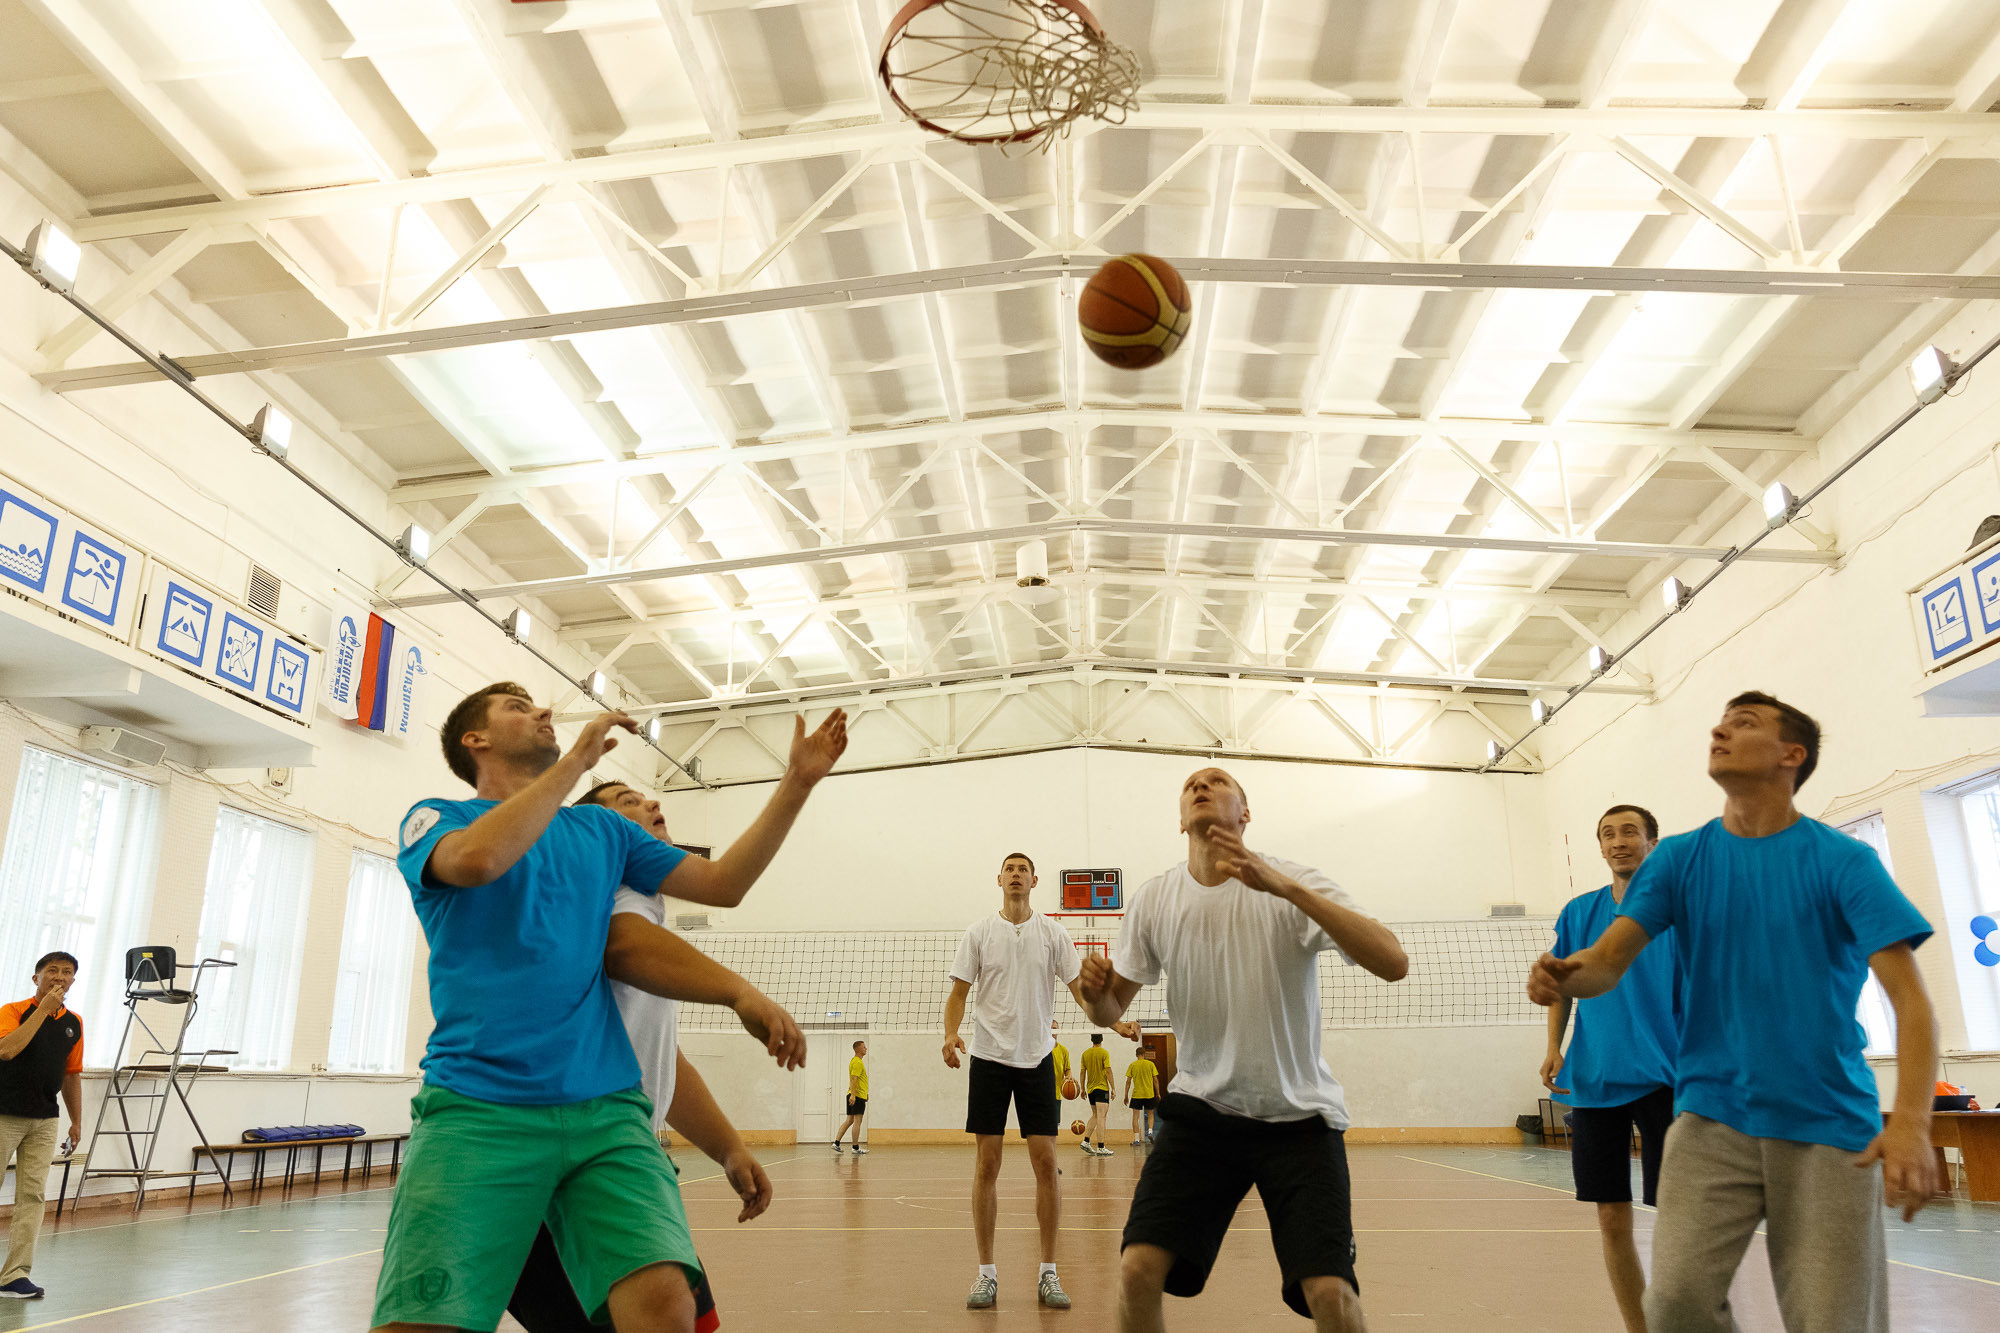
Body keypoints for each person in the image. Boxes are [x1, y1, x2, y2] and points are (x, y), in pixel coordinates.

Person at [374, 682, 845, 1333]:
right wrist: (574, 766)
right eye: (518, 706)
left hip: (605, 1110)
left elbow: (723, 883)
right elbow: (480, 860)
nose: (540, 711)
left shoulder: (601, 832)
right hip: (478, 1107)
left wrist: (796, 783)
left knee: (667, 1308)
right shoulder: (434, 817)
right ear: (473, 741)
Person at [1528, 693, 1939, 1333]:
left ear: (1790, 755)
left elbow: (1910, 1000)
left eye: (1744, 723)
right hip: (1710, 1118)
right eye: (1720, 719)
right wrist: (1564, 974)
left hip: (1827, 1125)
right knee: (1675, 1304)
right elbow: (1609, 961)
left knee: (1833, 1319)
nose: (1719, 729)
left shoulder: (1843, 861)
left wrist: (1912, 1120)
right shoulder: (1681, 860)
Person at [1077, 766, 1409, 1333]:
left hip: (1299, 1118)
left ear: (1245, 814)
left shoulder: (1291, 881)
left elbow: (1393, 962)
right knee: (1136, 1270)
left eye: (1217, 781)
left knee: (1331, 1293)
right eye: (1190, 786)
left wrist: (1285, 888)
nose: (1201, 786)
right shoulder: (1156, 898)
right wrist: (1094, 998)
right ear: (1181, 818)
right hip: (1201, 1114)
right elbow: (1111, 1012)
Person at [508, 779, 813, 1333]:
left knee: (684, 1319)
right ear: (597, 833)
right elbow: (622, 945)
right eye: (628, 802)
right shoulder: (605, 900)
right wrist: (739, 992)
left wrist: (728, 1148)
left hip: (621, 1160)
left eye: (649, 799)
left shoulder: (642, 904)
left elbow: (661, 1059)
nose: (653, 804)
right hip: (565, 1174)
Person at [1540, 804, 1679, 1333]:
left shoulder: (1676, 911)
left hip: (1669, 1079)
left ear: (1652, 842)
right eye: (1607, 834)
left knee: (1680, 1220)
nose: (1618, 841)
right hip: (1595, 1079)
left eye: (1629, 832)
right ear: (1599, 847)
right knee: (1608, 1214)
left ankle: (1680, 1317)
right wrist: (1554, 1045)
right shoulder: (1579, 912)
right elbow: (1562, 985)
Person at [943, 852, 1091, 1311]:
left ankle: (1049, 1272)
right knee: (987, 1166)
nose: (1015, 875)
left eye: (1022, 869)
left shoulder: (1054, 933)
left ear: (1034, 881)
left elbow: (1079, 989)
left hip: (1037, 1059)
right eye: (1009, 869)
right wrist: (950, 1033)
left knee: (1046, 1164)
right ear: (999, 880)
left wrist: (1115, 1019)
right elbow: (959, 994)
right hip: (988, 1058)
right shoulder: (978, 933)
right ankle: (986, 1274)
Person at [0, 952, 84, 1300]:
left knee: (32, 1197)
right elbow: (7, 1050)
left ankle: (14, 1276)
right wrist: (42, 1011)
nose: (60, 977)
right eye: (52, 971)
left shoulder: (74, 1023)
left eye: (67, 972)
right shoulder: (12, 1011)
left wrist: (76, 1121)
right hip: (4, 1114)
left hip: (45, 1120)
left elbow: (71, 1074)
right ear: (36, 978)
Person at [1079, 1033, 1116, 1155]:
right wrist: (1113, 1088)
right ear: (1102, 1039)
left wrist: (1083, 1089)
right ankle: (1101, 1147)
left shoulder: (1085, 1054)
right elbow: (1108, 1070)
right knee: (1101, 1116)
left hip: (1090, 1089)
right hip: (1101, 1088)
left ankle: (1086, 1141)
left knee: (1095, 1114)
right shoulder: (1104, 1053)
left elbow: (1082, 1072)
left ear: (1091, 1040)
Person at [833, 1040, 868, 1154]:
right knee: (857, 1121)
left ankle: (836, 1143)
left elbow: (858, 1080)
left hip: (857, 1094)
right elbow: (854, 1079)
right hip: (856, 1095)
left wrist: (864, 1093)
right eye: (864, 1047)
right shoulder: (857, 1062)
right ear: (858, 1049)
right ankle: (855, 1147)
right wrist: (853, 1095)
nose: (866, 1049)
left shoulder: (855, 1061)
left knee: (849, 1120)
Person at [1127, 1044, 1161, 1147]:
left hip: (1137, 1095)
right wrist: (1158, 1093)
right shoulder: (1150, 1064)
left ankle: (1137, 1140)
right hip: (1149, 1094)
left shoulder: (1133, 1065)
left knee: (1135, 1117)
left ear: (1136, 1055)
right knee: (1150, 1114)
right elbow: (1155, 1080)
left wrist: (1125, 1095)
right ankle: (1150, 1132)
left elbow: (1128, 1082)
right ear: (1144, 1054)